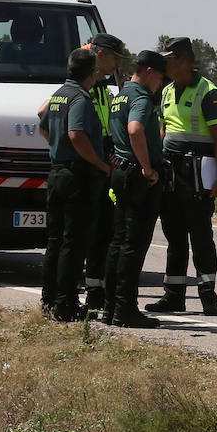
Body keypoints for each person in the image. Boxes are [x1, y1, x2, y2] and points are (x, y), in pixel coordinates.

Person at [146, 37, 217, 316]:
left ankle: (208, 296)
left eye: (168, 58)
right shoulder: (167, 90)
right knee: (174, 235)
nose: (164, 64)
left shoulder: (208, 92)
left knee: (201, 235)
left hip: (196, 174)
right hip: (171, 171)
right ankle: (173, 296)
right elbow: (164, 129)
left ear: (183, 59)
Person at [39, 47, 113, 321]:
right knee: (74, 242)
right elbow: (76, 134)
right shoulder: (81, 98)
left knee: (56, 241)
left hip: (57, 173)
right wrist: (99, 164)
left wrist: (59, 147)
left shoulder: (58, 95)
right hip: (77, 176)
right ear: (93, 73)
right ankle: (66, 304)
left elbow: (43, 127)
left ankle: (49, 301)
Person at [101, 49, 168, 328]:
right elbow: (135, 130)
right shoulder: (140, 97)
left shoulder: (120, 96)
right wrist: (148, 167)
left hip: (120, 171)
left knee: (119, 241)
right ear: (150, 72)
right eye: (160, 78)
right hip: (137, 176)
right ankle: (125, 309)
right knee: (134, 244)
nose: (160, 85)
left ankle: (111, 307)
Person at [81, 32, 130, 313]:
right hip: (90, 159)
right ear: (100, 55)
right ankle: (90, 290)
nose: (118, 64)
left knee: (105, 231)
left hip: (105, 154)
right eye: (115, 58)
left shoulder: (102, 88)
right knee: (90, 231)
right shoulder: (84, 86)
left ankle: (97, 291)